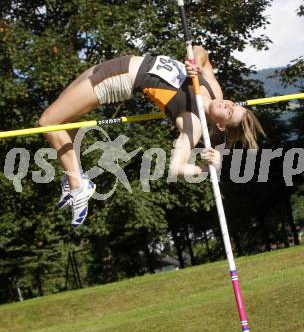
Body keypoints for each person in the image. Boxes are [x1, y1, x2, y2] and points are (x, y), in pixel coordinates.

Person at [38, 46, 265, 226]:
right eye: (233, 105)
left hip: (120, 78)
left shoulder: (193, 122)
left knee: (47, 122)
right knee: (63, 117)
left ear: (221, 125)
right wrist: (194, 60)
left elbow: (176, 169)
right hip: (123, 62)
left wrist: (206, 170)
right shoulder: (214, 90)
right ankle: (73, 175)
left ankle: (78, 184)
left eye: (229, 113)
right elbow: (202, 51)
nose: (227, 105)